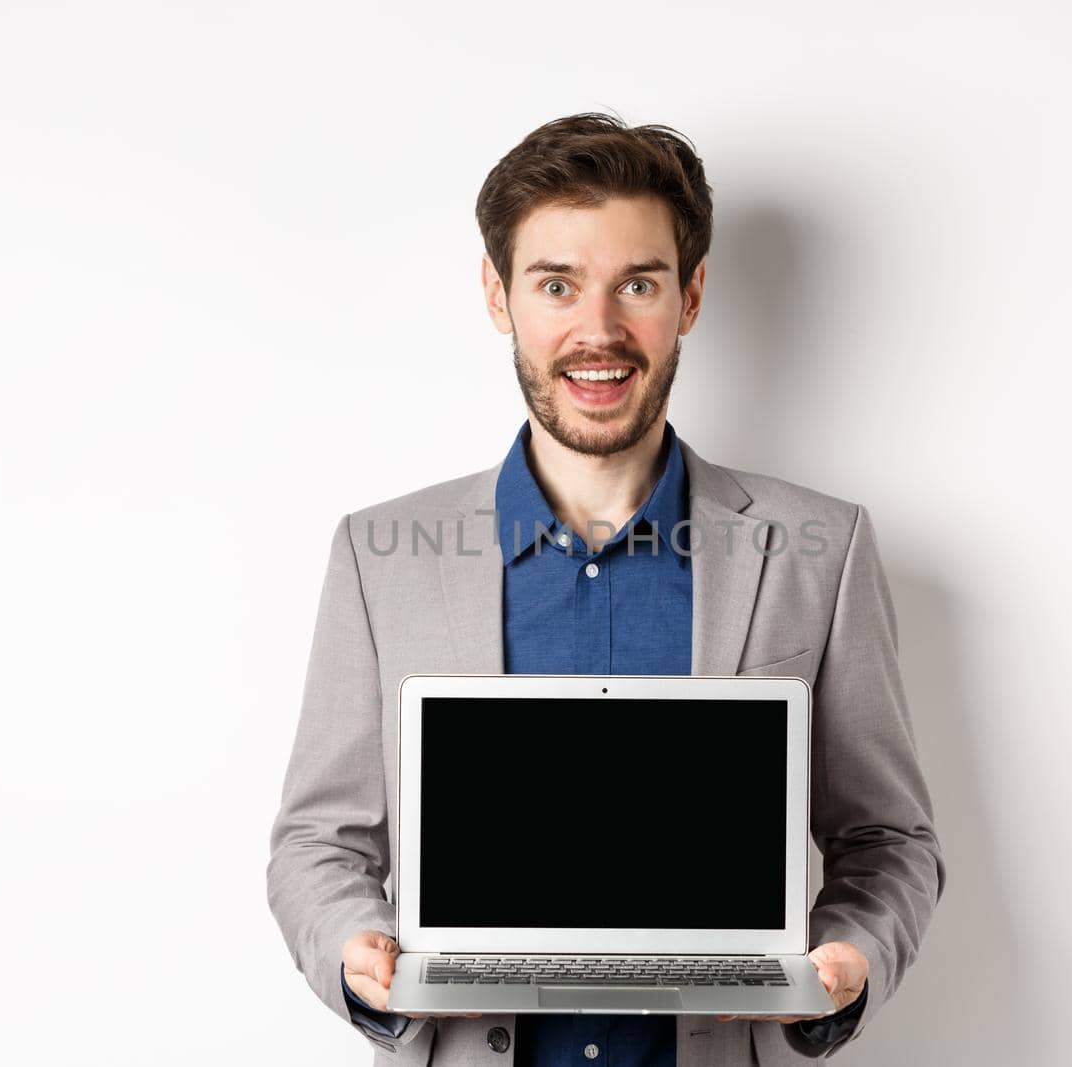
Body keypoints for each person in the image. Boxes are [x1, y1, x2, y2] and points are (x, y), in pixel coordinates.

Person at [267, 113, 946, 1066]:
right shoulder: (380, 557)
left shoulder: (819, 549)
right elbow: (317, 842)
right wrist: (351, 950)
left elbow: (888, 837)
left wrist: (850, 957)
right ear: (500, 297)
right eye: (556, 284)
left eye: (637, 283)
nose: (598, 331)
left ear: (692, 294)